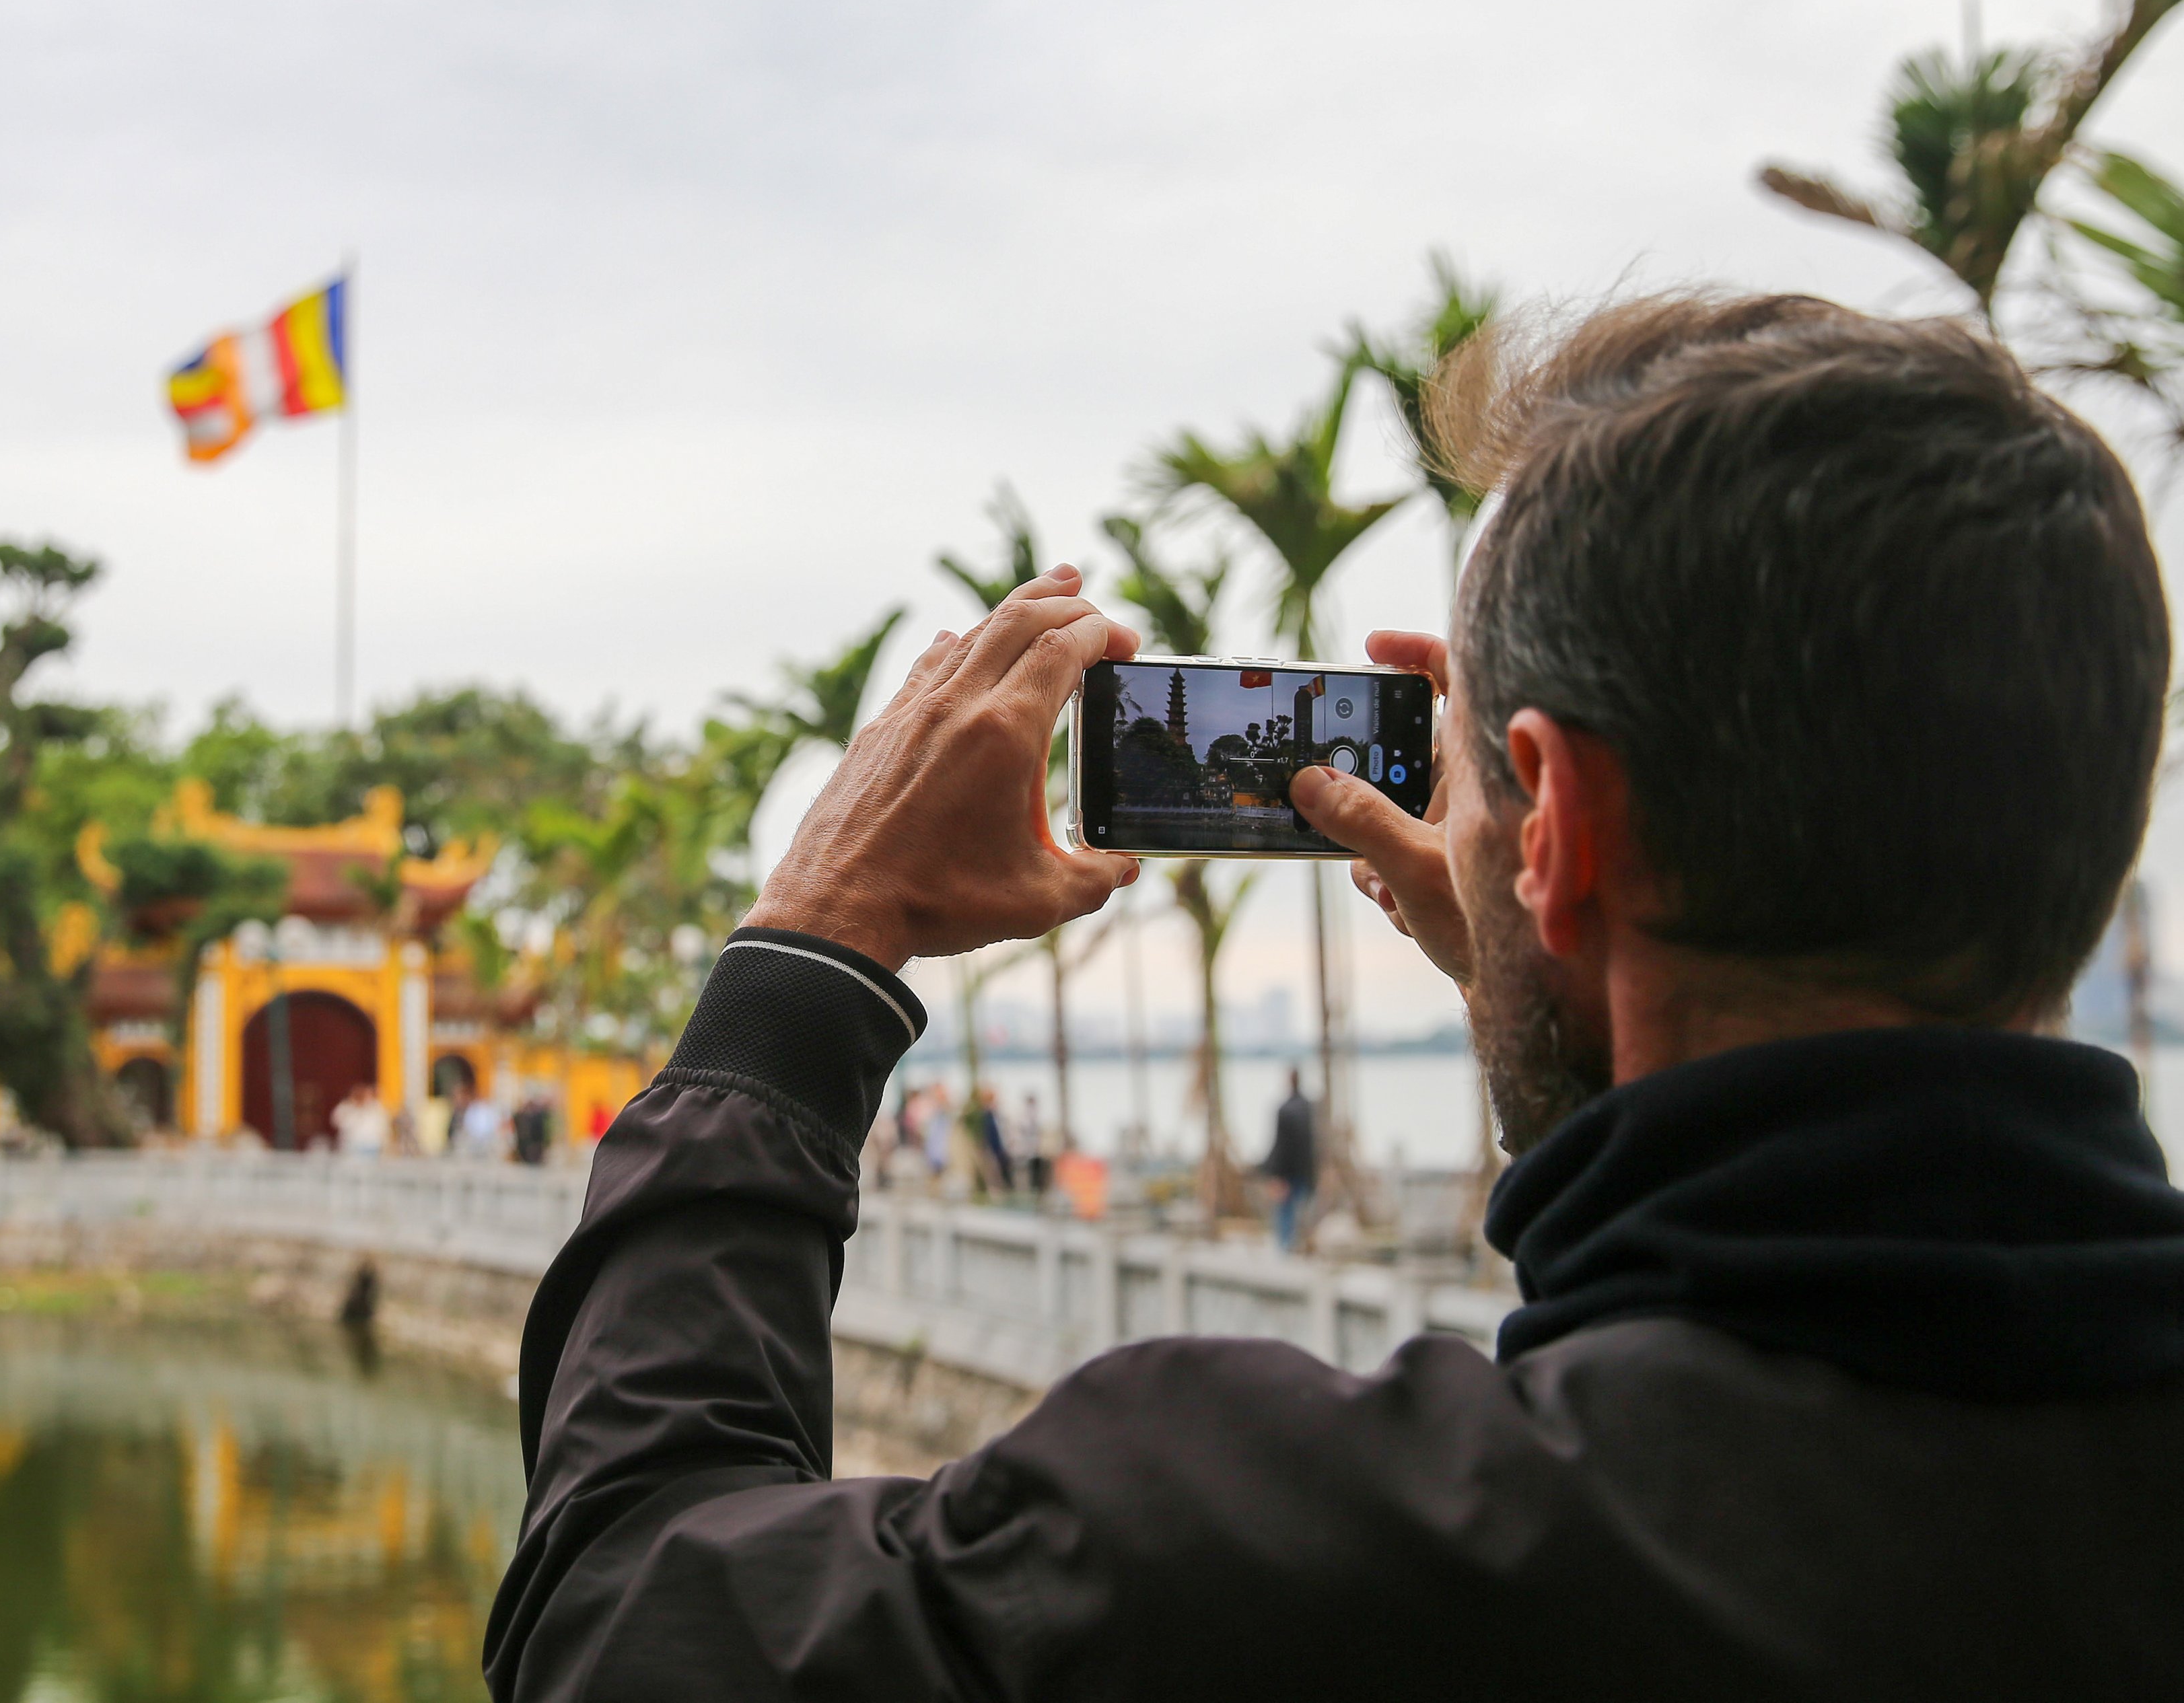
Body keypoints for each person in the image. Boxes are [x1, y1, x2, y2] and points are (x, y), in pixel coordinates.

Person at [486, 294, 2184, 1697]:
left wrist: (812, 949)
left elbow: (626, 1619)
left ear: (1562, 820)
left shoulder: (1280, 1548)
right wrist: (1555, 942)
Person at [1258, 1065, 1315, 1252]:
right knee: (1302, 1210)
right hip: (1305, 1170)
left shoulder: (1285, 1110)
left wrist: (1275, 1174)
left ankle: (1285, 1248)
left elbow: (1281, 1145)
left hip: (1288, 1172)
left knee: (1285, 1212)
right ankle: (1296, 1244)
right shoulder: (1309, 1108)